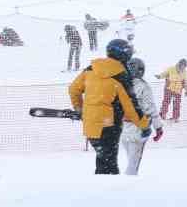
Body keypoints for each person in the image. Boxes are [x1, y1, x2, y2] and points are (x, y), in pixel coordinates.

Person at [68, 39, 149, 175]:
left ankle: (104, 188)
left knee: (103, 160)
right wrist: (144, 125)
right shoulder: (121, 76)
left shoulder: (91, 69)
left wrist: (79, 109)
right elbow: (131, 106)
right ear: (124, 55)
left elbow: (73, 89)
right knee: (108, 166)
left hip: (90, 126)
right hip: (108, 127)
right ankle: (106, 191)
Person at [120, 57, 164, 176]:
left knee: (131, 160)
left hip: (124, 128)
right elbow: (150, 108)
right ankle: (126, 187)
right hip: (139, 128)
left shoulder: (120, 84)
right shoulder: (144, 87)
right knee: (133, 164)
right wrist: (158, 127)